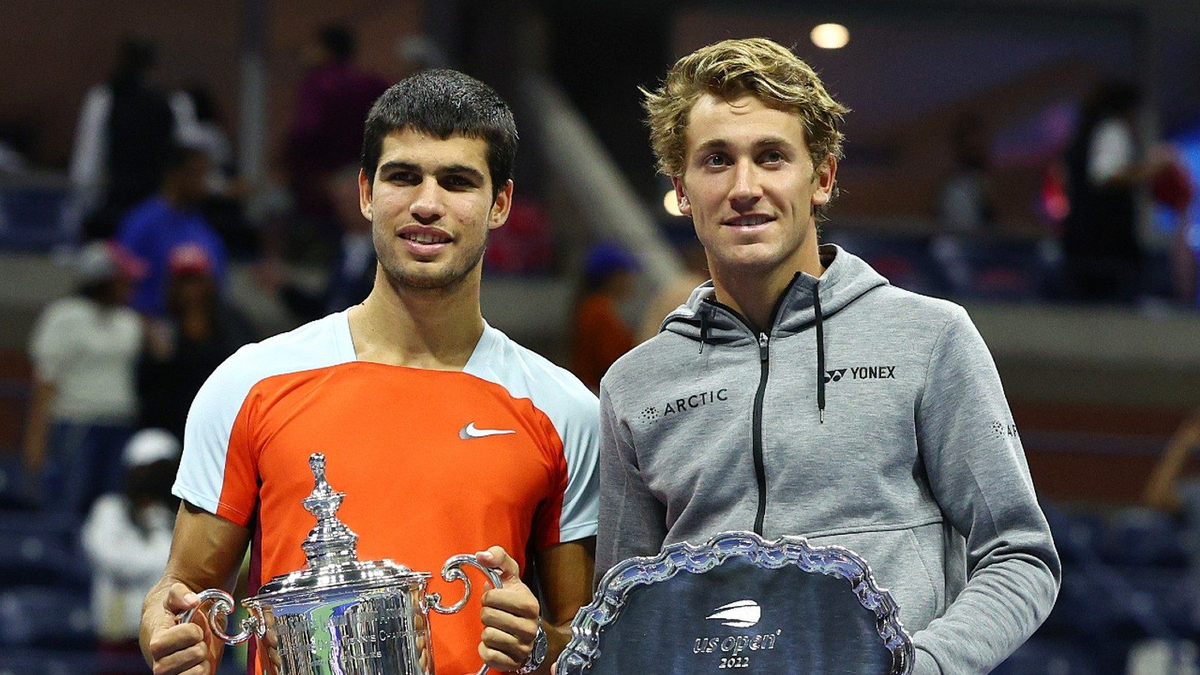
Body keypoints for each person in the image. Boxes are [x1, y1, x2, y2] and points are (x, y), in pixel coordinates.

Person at [595, 38, 1060, 674]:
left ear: (823, 177)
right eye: (715, 161)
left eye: (771, 157)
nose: (744, 187)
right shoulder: (636, 383)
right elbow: (625, 609)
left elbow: (1021, 555)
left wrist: (922, 668)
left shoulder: (929, 338)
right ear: (682, 187)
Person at [139, 69, 599, 675]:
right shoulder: (249, 384)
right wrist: (167, 634)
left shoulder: (565, 409)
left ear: (501, 204)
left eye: (457, 182)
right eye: (403, 176)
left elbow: (584, 636)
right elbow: (182, 592)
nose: (427, 204)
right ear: (365, 193)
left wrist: (538, 645)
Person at [24, 240, 144, 515]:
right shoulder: (63, 317)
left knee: (111, 509)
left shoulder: (129, 321)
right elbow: (45, 383)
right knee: (69, 504)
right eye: (123, 280)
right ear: (103, 280)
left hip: (119, 425)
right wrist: (35, 444)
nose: (130, 287)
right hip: (77, 425)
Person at [82, 428, 181, 667]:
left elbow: (181, 564)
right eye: (149, 470)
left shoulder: (178, 518)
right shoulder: (109, 510)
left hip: (165, 631)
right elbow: (116, 561)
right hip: (118, 633)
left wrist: (158, 521)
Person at [117, 144, 229, 317]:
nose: (203, 183)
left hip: (197, 326)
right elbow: (121, 280)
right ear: (175, 175)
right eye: (197, 174)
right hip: (148, 322)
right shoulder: (142, 223)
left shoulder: (203, 229)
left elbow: (218, 283)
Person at [570, 243, 639, 392]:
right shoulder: (597, 310)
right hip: (597, 391)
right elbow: (614, 360)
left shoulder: (595, 306)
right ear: (612, 277)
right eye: (625, 274)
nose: (630, 281)